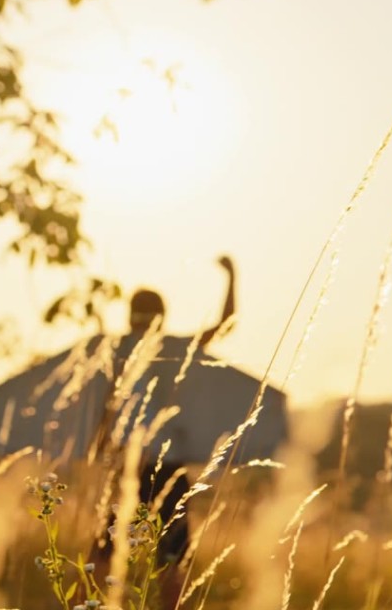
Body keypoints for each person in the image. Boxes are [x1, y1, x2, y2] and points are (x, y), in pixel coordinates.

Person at [89, 255, 236, 608]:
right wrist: (232, 275)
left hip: (129, 469)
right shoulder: (174, 349)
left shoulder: (115, 349)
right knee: (171, 560)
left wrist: (101, 447)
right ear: (161, 317)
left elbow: (104, 412)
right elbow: (227, 323)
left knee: (104, 554)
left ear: (129, 316)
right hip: (168, 469)